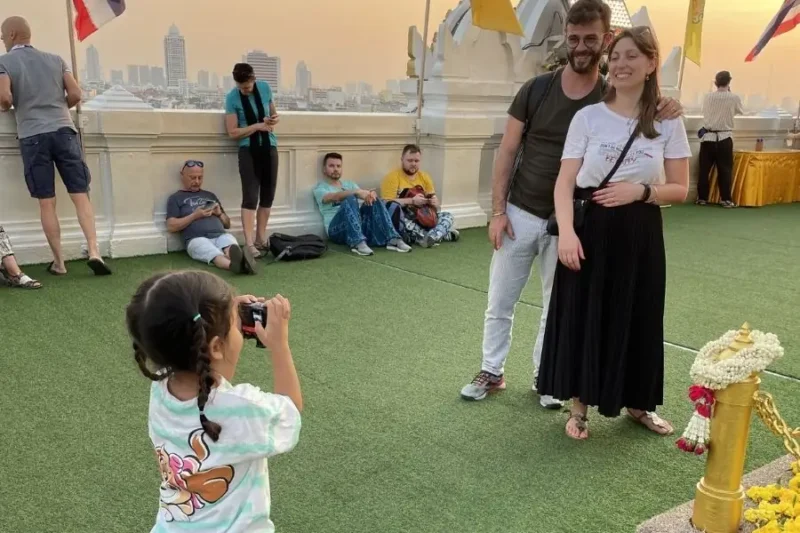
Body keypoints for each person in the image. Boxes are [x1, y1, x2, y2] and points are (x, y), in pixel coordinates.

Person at [459, 0, 682, 408]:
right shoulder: (538, 89)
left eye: (591, 39)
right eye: (575, 38)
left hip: (576, 221)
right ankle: (492, 370)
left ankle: (546, 380)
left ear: (605, 40)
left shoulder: (610, 92)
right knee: (500, 300)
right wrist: (497, 211)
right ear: (566, 37)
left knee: (556, 304)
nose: (581, 46)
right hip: (522, 212)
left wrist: (668, 104)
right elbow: (507, 150)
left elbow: (644, 107)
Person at [538, 26, 691, 440]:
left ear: (651, 63)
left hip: (640, 228)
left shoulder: (667, 120)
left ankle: (639, 402)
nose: (621, 65)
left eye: (632, 57)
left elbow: (680, 188)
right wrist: (566, 234)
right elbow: (564, 181)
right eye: (617, 56)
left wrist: (641, 191)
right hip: (591, 227)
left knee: (639, 312)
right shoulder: (588, 117)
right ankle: (579, 408)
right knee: (585, 312)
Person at [126, 270, 302, 530]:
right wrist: (279, 346)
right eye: (234, 323)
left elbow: (182, 330)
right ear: (216, 347)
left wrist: (221, 317)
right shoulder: (243, 409)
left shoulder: (160, 388)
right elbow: (291, 410)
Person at [0, 16, 111, 277]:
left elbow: (4, 97)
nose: (3, 40)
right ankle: (94, 250)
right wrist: (58, 109)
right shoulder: (56, 59)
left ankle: (59, 262)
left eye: (3, 36)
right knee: (80, 195)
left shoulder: (4, 62)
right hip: (64, 130)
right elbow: (75, 94)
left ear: (13, 35)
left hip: (33, 135)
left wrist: (11, 107)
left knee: (46, 203)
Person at [224, 63, 279, 259]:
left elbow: (272, 113)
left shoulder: (264, 88)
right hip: (248, 150)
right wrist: (257, 126)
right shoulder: (232, 98)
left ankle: (260, 238)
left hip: (269, 146)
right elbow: (232, 132)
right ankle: (248, 243)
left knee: (268, 195)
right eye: (242, 87)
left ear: (253, 79)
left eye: (247, 86)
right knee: (250, 196)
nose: (245, 90)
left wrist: (272, 120)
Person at [166, 160, 257, 275]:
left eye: (200, 178)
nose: (197, 181)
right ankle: (235, 266)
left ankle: (239, 260)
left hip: (220, 235)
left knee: (229, 243)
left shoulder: (210, 195)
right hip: (196, 238)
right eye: (192, 178)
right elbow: (171, 226)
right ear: (182, 175)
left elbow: (227, 224)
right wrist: (195, 216)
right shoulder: (175, 198)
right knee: (213, 253)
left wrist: (219, 214)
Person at [313, 152, 411, 256]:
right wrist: (355, 192)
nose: (335, 169)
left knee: (375, 199)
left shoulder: (349, 184)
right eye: (331, 166)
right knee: (350, 198)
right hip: (336, 230)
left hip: (358, 226)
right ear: (324, 169)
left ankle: (393, 238)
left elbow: (362, 195)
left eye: (338, 166)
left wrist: (370, 195)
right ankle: (357, 242)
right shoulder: (320, 188)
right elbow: (333, 197)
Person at [380, 144, 459, 248]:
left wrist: (434, 202)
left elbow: (435, 204)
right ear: (402, 159)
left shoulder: (425, 177)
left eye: (416, 161)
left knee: (448, 216)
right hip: (406, 216)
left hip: (424, 216)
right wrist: (412, 201)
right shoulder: (392, 177)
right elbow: (386, 203)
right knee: (405, 222)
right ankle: (440, 235)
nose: (413, 164)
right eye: (410, 160)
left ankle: (429, 237)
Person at [696, 70, 744, 208]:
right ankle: (726, 199)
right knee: (725, 170)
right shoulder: (734, 97)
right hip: (724, 137)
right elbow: (740, 111)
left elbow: (703, 111)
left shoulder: (707, 97)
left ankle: (702, 198)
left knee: (704, 170)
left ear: (716, 82)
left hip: (708, 137)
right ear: (729, 82)